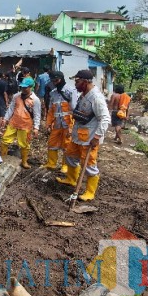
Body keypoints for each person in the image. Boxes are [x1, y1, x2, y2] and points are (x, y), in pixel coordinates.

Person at [59, 70, 110, 202]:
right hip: (78, 135)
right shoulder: (83, 95)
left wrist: (97, 137)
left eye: (77, 81)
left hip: (89, 139)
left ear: (86, 82)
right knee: (69, 155)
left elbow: (105, 119)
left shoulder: (96, 98)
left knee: (88, 164)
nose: (75, 84)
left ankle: (89, 192)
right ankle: (71, 179)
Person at [0, 76, 41, 169]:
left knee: (24, 144)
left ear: (31, 87)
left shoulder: (35, 100)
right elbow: (11, 108)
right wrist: (5, 119)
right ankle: (2, 157)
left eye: (25, 87)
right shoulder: (16, 96)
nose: (23, 89)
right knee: (5, 140)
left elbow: (37, 114)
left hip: (26, 125)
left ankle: (24, 161)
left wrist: (36, 128)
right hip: (13, 123)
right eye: (22, 87)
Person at [44, 71, 78, 173]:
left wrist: (73, 126)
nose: (55, 82)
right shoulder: (53, 93)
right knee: (52, 143)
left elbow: (74, 109)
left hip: (68, 123)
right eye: (53, 81)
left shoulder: (71, 90)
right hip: (57, 123)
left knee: (67, 145)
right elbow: (51, 110)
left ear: (61, 79)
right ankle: (51, 163)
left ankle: (65, 165)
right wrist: (48, 123)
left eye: (57, 80)